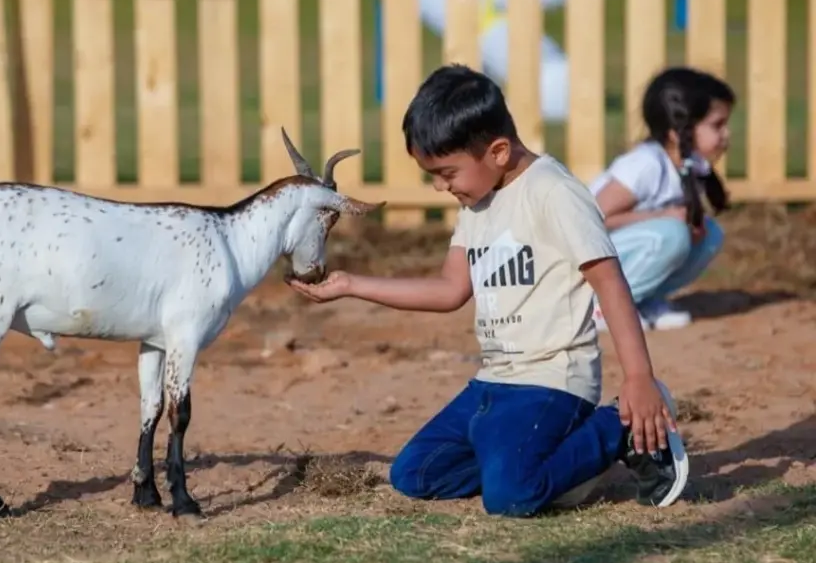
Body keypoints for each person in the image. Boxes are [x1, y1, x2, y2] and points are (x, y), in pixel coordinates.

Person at [286, 64, 688, 516]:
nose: (441, 186)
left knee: (510, 497)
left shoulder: (554, 192)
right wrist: (351, 285)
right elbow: (451, 289)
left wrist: (639, 378)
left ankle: (619, 430)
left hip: (552, 382)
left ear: (497, 151)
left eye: (446, 172)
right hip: (493, 383)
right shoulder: (476, 204)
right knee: (415, 474)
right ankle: (543, 466)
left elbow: (610, 284)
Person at [588, 67, 734, 331]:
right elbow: (591, 217)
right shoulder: (647, 164)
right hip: (581, 261)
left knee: (708, 234)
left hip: (616, 252)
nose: (727, 134)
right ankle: (604, 307)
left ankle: (643, 300)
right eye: (717, 125)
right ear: (677, 132)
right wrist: (662, 217)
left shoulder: (690, 165)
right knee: (672, 234)